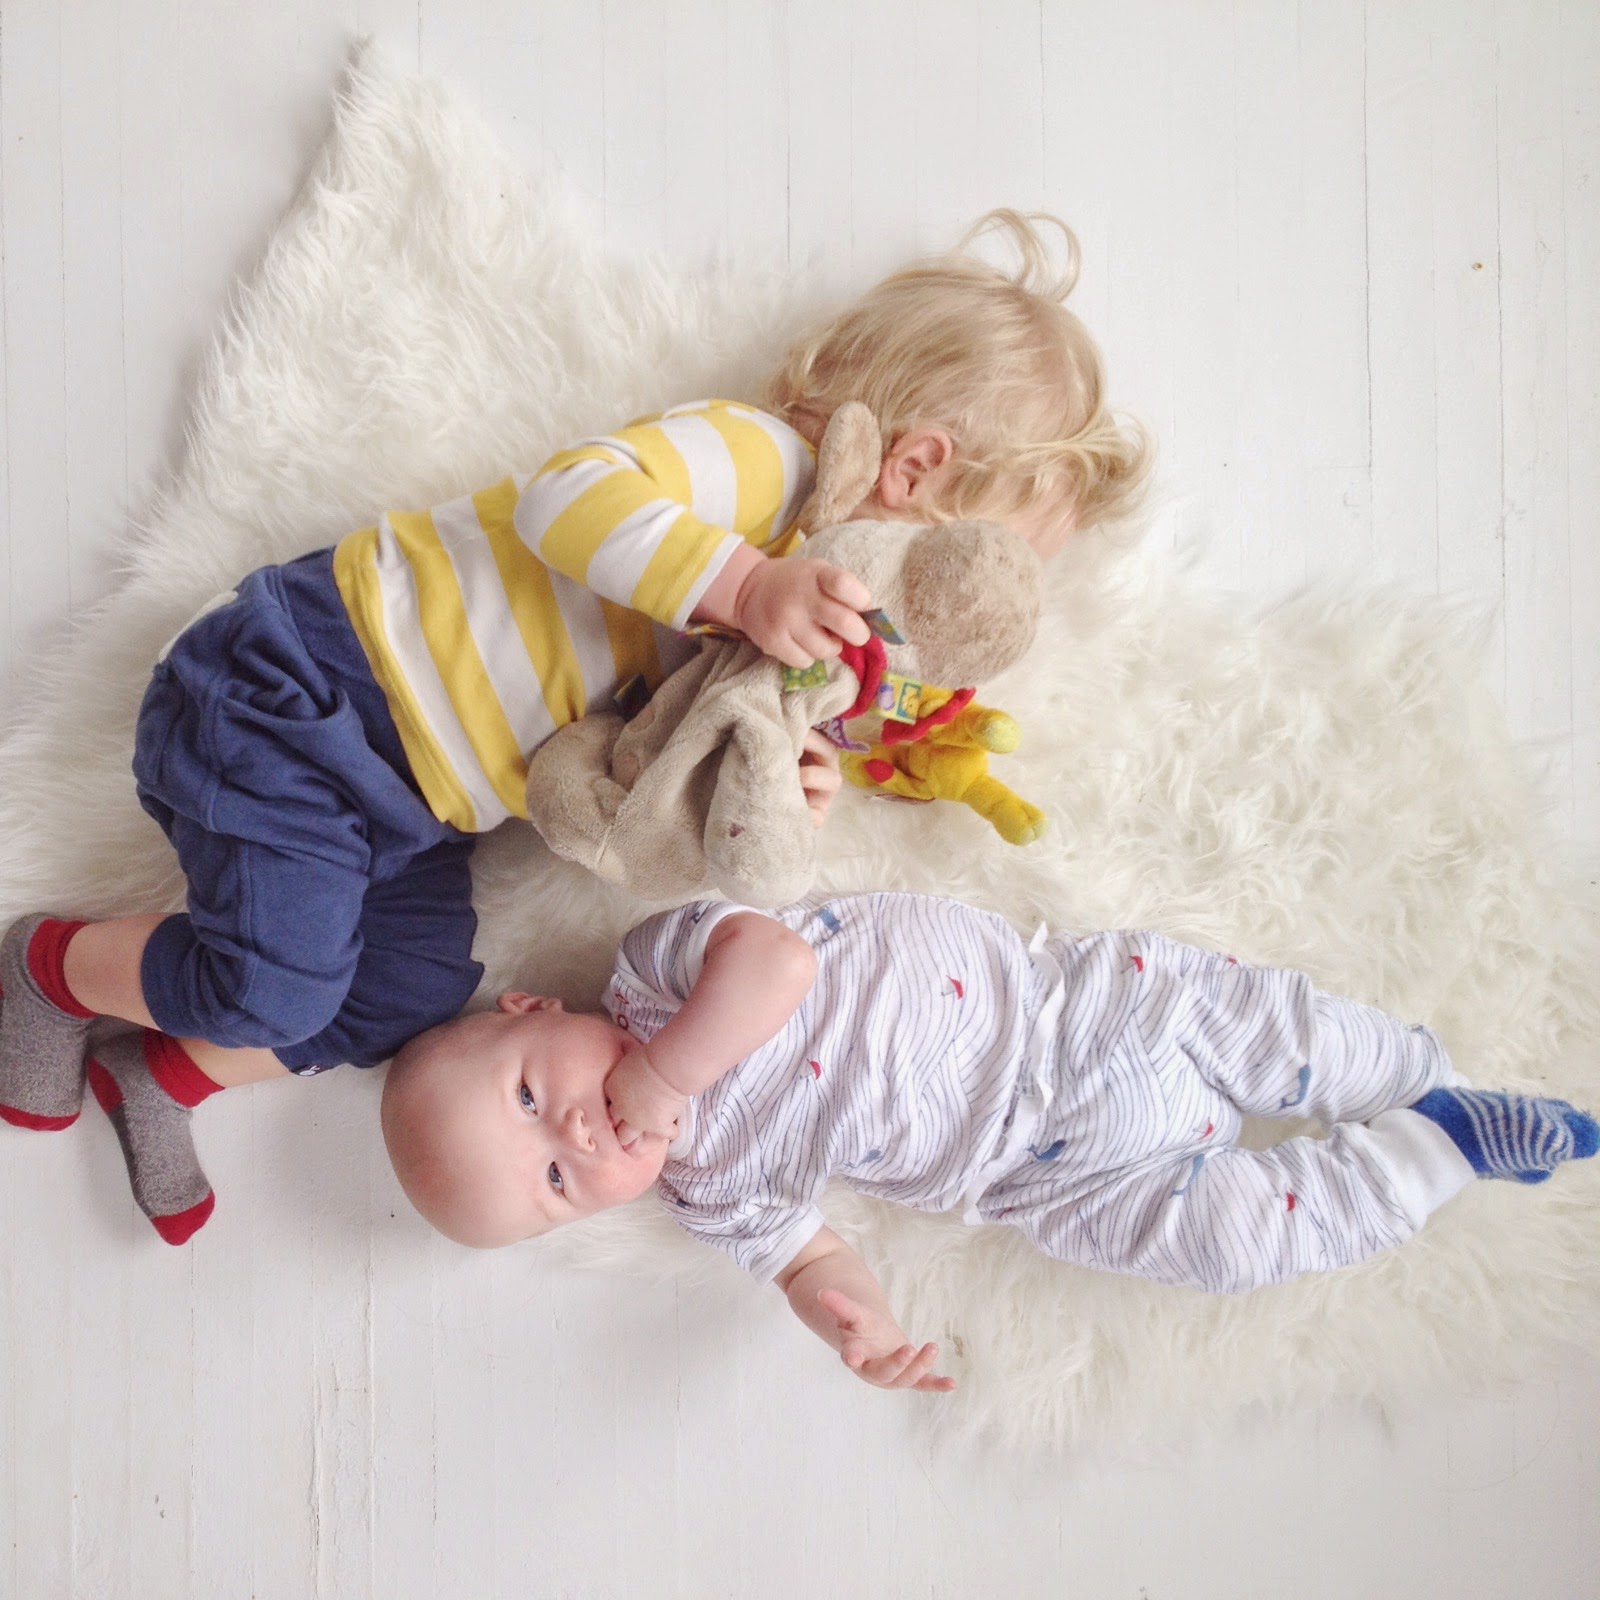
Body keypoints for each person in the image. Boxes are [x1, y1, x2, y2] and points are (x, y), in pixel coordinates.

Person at [0, 212, 1151, 1243]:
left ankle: (169, 1073)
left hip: (415, 809)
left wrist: (783, 773)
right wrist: (746, 584)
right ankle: (51, 972)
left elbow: (674, 746)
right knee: (277, 989)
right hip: (310, 690)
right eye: (960, 577)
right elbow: (569, 496)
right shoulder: (757, 464)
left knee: (406, 995)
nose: (926, 640)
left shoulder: (800, 623)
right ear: (912, 470)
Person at [381, 892, 1598, 1394]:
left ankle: (1421, 1081)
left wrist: (663, 1071)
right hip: (1035, 1173)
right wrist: (856, 1323)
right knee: (1222, 1245)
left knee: (1283, 1031)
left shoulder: (652, 974)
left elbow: (777, 961)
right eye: (557, 1179)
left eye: (531, 1094)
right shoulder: (708, 1188)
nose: (575, 1131)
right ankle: (1432, 1156)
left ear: (533, 1007)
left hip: (1074, 1011)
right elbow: (809, 1253)